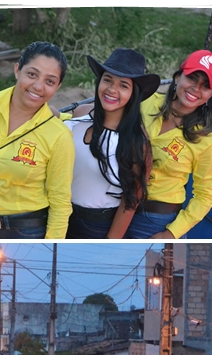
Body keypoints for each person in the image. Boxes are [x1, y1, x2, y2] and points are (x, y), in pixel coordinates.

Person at [0, 42, 75, 239]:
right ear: (17, 70)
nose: (38, 86)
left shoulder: (59, 136)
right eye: (32, 74)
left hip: (24, 232)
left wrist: (51, 245)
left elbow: (61, 203)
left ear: (57, 87)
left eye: (49, 81)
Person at [125, 50, 212, 239]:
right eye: (192, 78)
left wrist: (169, 235)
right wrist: (62, 119)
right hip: (114, 206)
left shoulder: (207, 141)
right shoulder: (145, 101)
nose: (196, 88)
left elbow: (204, 197)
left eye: (206, 85)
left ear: (211, 94)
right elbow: (105, 120)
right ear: (178, 77)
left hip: (155, 222)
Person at [64, 49, 159, 239]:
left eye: (123, 85)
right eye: (107, 80)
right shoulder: (80, 114)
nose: (112, 90)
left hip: (96, 226)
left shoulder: (137, 142)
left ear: (133, 94)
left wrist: (110, 240)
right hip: (58, 215)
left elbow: (130, 202)